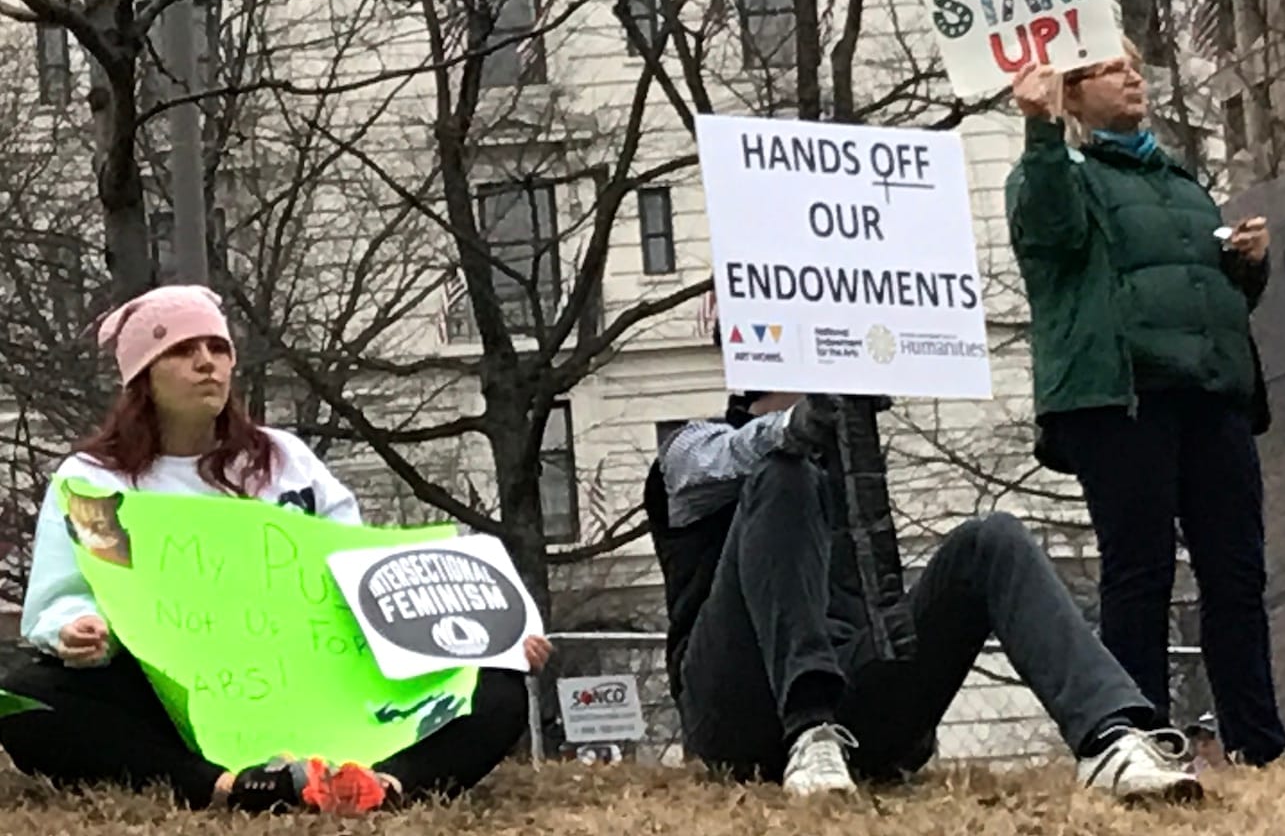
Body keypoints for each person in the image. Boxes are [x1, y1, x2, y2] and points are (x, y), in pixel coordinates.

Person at [0, 285, 549, 815]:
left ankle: (382, 784)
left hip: (315, 678)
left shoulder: (283, 459)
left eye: (218, 348)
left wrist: (489, 638)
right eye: (183, 351)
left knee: (496, 689)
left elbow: (360, 569)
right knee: (27, 699)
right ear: (143, 377)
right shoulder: (96, 480)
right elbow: (65, 593)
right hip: (168, 695)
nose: (207, 363)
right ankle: (229, 787)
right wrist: (77, 629)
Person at [644, 376, 1203, 800]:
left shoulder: (853, 469)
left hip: (858, 715)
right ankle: (808, 729)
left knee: (991, 540)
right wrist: (790, 430)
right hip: (736, 712)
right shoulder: (694, 449)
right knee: (783, 472)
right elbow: (720, 460)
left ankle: (1109, 739)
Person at [1003, 40, 1285, 767]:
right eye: (1107, 67)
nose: (1131, 75)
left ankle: (1258, 743)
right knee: (1140, 567)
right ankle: (1135, 736)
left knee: (1237, 572)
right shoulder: (1056, 173)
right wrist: (1037, 132)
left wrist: (1246, 268)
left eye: (1133, 65)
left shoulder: (1182, 185)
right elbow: (1050, 236)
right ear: (1070, 93)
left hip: (1209, 392)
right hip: (1121, 395)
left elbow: (1205, 292)